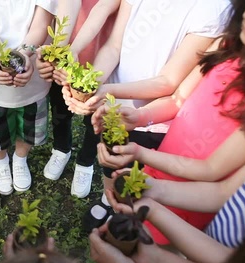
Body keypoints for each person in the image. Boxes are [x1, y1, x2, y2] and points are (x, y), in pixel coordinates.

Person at [91, 0, 245, 243]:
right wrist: (140, 117)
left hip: (191, 195)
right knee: (133, 226)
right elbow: (177, 100)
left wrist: (140, 154)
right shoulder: (226, 46)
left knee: (157, 243)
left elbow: (211, 170)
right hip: (161, 164)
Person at [61, 0, 231, 228]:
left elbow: (168, 82)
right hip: (113, 105)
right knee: (110, 158)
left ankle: (124, 209)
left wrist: (105, 91)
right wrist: (93, 84)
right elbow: (114, 46)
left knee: (134, 173)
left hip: (154, 117)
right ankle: (107, 198)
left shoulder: (212, 8)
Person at [0, 0, 56, 195]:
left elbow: (41, 24)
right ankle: (2, 162)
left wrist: (23, 56)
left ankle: (20, 159)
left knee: (29, 121)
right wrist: (2, 56)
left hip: (32, 72)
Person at [38, 0, 120, 199]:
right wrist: (61, 52)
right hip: (68, 41)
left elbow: (104, 8)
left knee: (94, 114)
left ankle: (86, 161)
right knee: (59, 105)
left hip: (103, 53)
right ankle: (61, 148)